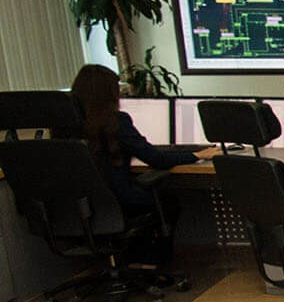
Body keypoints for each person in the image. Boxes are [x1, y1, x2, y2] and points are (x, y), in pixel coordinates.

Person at [69, 64, 218, 264]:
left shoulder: (65, 127)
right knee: (168, 204)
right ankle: (154, 263)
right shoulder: (116, 122)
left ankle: (132, 262)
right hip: (117, 201)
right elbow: (157, 160)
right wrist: (197, 154)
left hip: (79, 207)